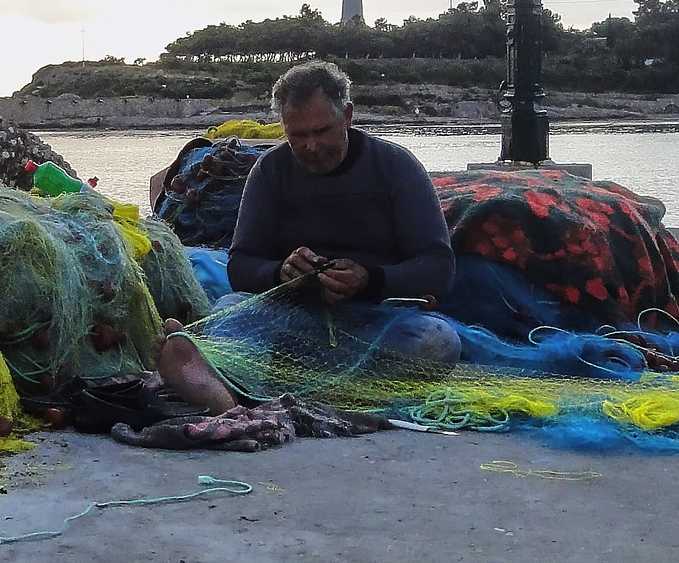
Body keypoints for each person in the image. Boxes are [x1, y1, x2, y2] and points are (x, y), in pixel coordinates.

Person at [155, 61, 458, 411]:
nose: (311, 146)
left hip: (373, 317)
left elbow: (438, 268)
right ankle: (227, 386)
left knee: (438, 342)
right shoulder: (270, 171)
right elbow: (240, 265)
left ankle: (239, 386)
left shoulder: (396, 167)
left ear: (347, 115)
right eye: (297, 136)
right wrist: (280, 273)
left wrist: (369, 279)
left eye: (322, 131)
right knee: (229, 310)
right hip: (291, 319)